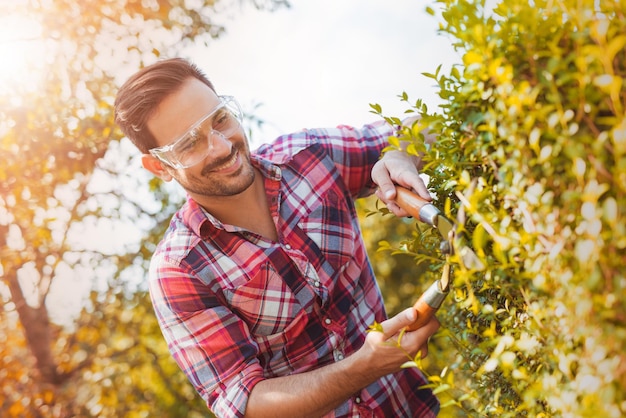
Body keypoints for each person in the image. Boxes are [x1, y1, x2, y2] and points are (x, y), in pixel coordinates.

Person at [114, 57, 440, 417]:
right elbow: (246, 403)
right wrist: (366, 365)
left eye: (220, 119)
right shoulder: (179, 270)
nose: (221, 146)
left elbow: (421, 128)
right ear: (159, 166)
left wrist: (400, 155)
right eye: (189, 143)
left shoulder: (309, 156)